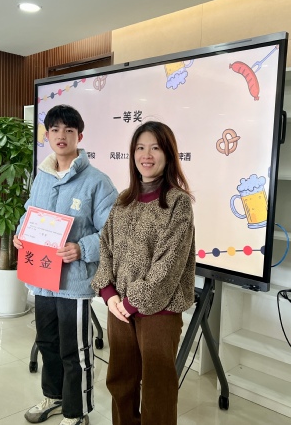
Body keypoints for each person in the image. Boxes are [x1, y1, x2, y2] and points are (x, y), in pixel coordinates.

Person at [15, 104, 118, 425]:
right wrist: (20, 233)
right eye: (55, 130)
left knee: (75, 351)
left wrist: (82, 248)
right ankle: (54, 396)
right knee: (47, 342)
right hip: (42, 278)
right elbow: (30, 212)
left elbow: (113, 231)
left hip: (73, 283)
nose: (62, 136)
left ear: (79, 137)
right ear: (47, 135)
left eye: (69, 130)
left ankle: (76, 411)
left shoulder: (97, 181)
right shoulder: (42, 176)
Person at [91, 121, 196, 425]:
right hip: (119, 309)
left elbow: (169, 264)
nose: (146, 155)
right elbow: (106, 245)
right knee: (120, 380)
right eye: (140, 148)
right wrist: (109, 294)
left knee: (157, 387)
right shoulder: (124, 199)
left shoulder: (177, 202)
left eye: (155, 147)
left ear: (168, 154)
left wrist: (132, 301)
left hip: (159, 310)